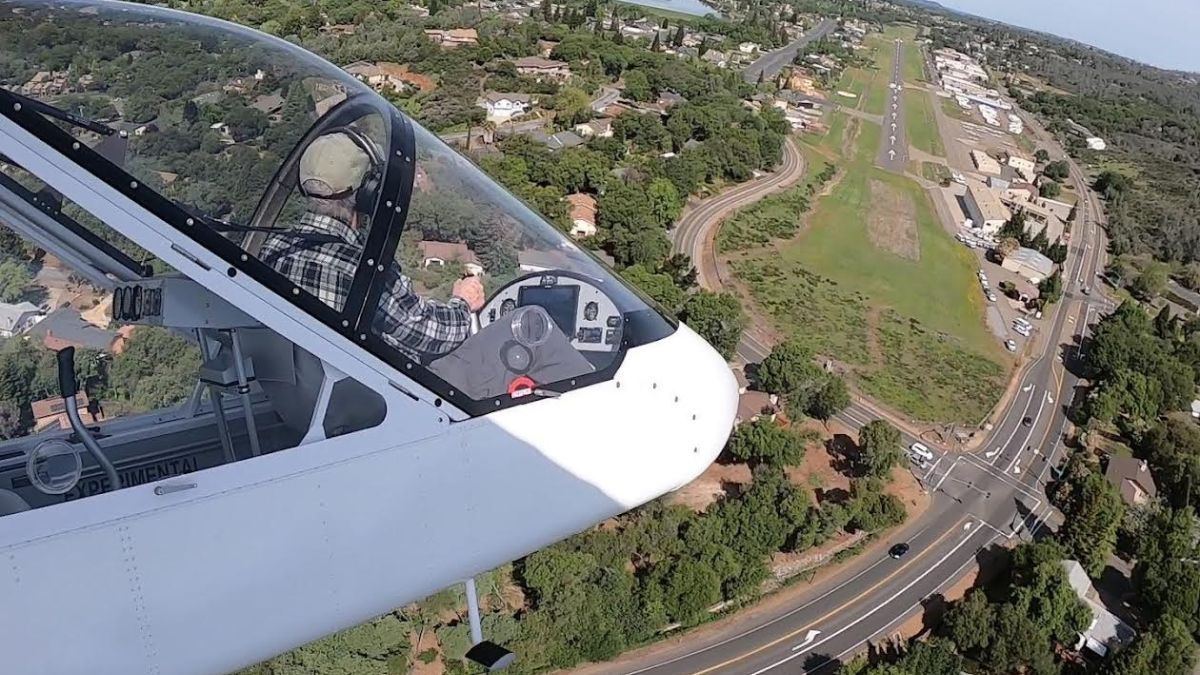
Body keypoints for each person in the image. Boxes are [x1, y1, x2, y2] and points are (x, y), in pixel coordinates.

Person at [259, 130, 484, 360]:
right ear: (369, 191)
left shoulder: (273, 247)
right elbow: (432, 333)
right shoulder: (363, 269)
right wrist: (463, 302)